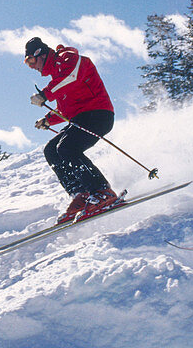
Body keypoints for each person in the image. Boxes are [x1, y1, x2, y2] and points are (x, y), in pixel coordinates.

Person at [25, 37, 121, 222]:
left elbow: (71, 76)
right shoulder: (57, 77)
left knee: (67, 148)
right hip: (81, 118)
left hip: (98, 114)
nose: (32, 67)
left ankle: (102, 191)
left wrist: (45, 94)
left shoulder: (68, 58)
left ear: (41, 54)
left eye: (31, 61)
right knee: (51, 150)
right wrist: (48, 120)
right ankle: (82, 193)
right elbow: (65, 109)